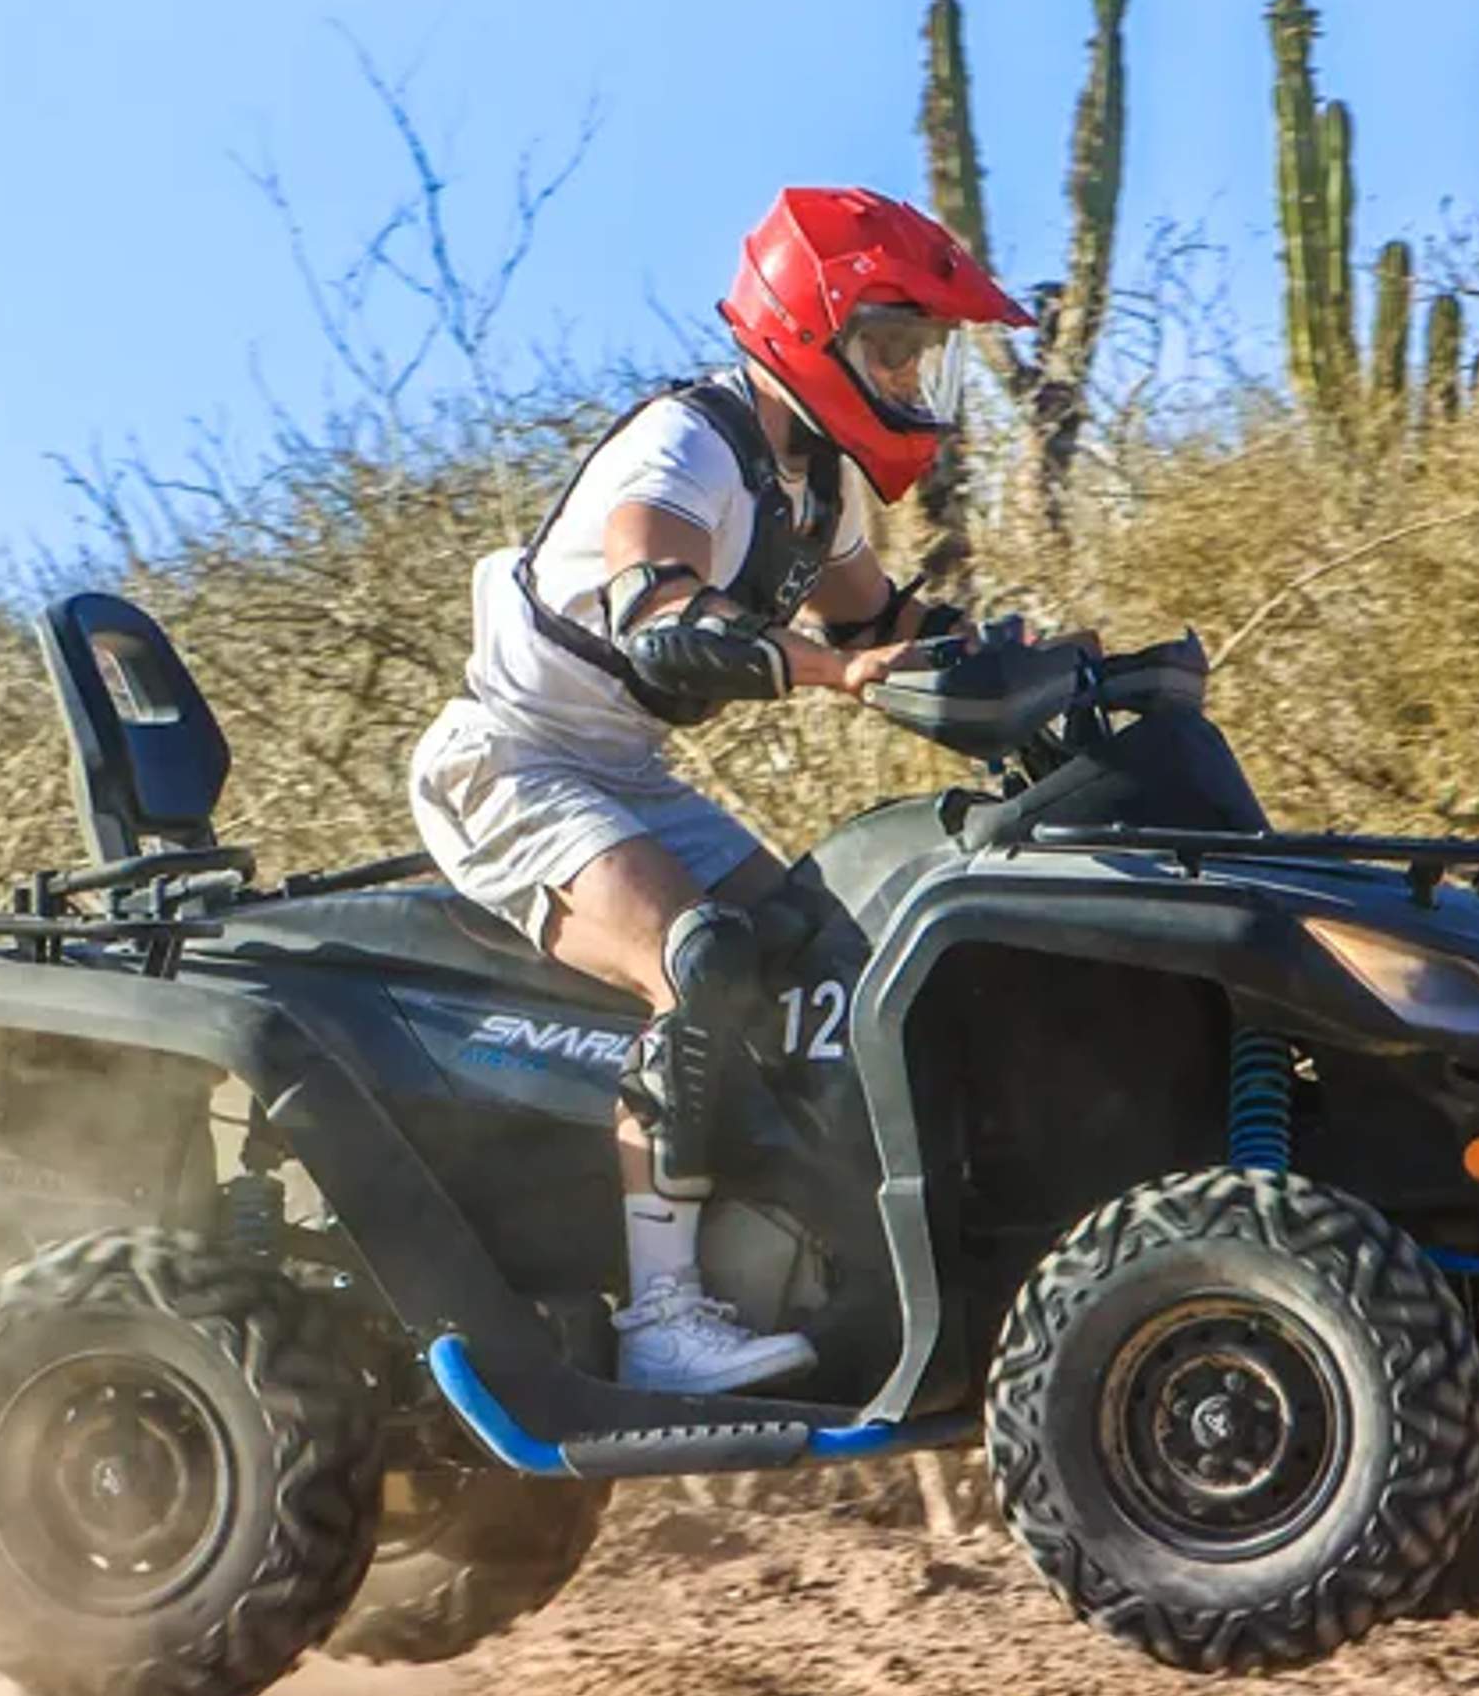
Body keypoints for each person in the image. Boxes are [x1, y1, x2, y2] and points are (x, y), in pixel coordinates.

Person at [408, 186, 1030, 1393]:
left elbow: (882, 625)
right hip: (511, 761)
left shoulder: (817, 484)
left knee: (817, 944)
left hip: (623, 772)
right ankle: (661, 1322)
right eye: (892, 349)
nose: (911, 379)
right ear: (812, 330)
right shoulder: (687, 446)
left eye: (922, 355)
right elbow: (659, 613)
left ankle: (800, 1254)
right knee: (701, 960)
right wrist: (837, 673)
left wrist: (1042, 667)